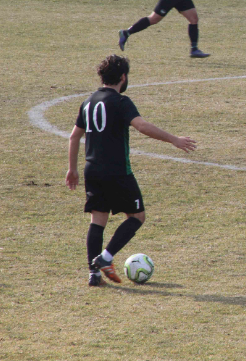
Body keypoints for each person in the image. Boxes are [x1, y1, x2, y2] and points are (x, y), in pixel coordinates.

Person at [66, 55, 197, 286]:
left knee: (98, 220)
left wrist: (72, 169)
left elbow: (74, 136)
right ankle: (105, 258)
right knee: (137, 217)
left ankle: (94, 274)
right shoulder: (121, 101)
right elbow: (142, 126)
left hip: (92, 169)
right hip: (117, 171)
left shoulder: (88, 102)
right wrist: (174, 139)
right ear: (123, 77)